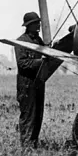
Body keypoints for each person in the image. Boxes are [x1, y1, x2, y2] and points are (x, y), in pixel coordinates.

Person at [14, 12, 47, 147]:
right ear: (29, 26)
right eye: (35, 23)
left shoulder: (38, 41)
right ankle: (26, 146)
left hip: (38, 82)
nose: (38, 25)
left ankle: (33, 143)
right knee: (28, 115)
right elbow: (23, 64)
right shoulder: (20, 42)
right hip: (26, 84)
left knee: (38, 115)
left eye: (38, 22)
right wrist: (41, 62)